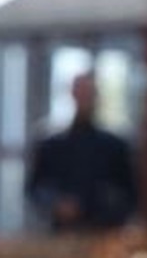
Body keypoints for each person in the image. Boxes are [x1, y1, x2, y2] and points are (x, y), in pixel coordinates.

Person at [26, 71, 138, 232]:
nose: (84, 98)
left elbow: (129, 195)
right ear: (73, 94)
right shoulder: (52, 146)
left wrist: (96, 206)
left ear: (96, 96)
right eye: (80, 92)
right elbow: (36, 189)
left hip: (104, 233)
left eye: (88, 92)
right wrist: (56, 204)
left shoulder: (114, 146)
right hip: (62, 233)